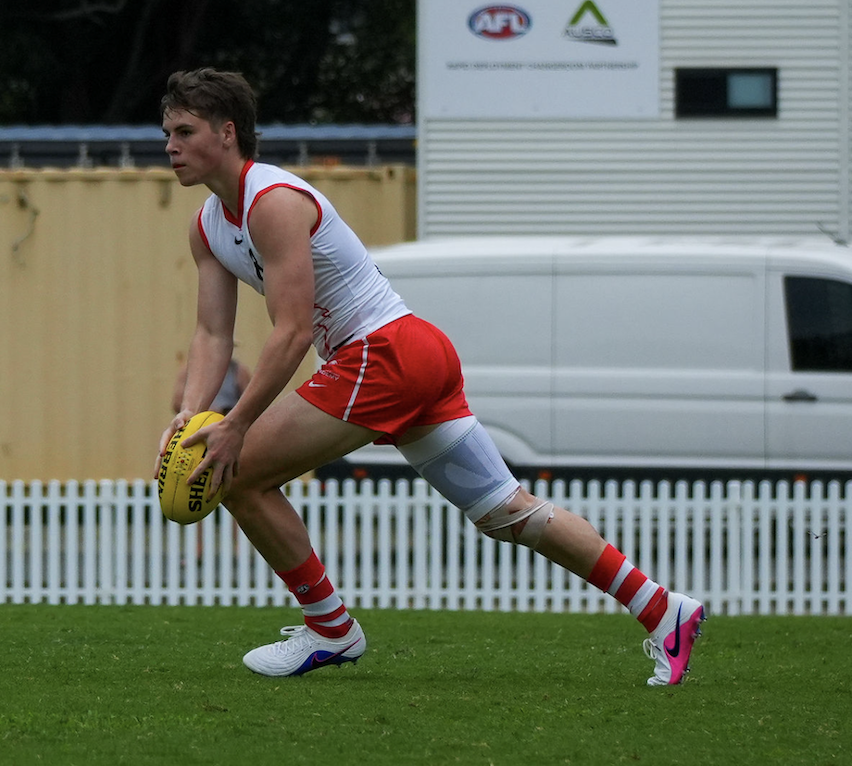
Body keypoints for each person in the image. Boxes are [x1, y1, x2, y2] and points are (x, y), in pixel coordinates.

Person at [155, 67, 705, 685]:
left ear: (228, 133)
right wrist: (191, 415)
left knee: (238, 472)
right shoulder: (208, 226)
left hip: (383, 355)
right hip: (410, 354)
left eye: (185, 131)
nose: (170, 146)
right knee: (506, 512)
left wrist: (235, 425)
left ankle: (330, 628)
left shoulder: (272, 201)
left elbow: (292, 332)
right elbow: (212, 334)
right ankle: (663, 609)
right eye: (168, 133)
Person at [172, 356, 251, 415]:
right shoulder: (190, 369)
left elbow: (249, 403)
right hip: (198, 418)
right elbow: (177, 403)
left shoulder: (238, 370)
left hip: (228, 420)